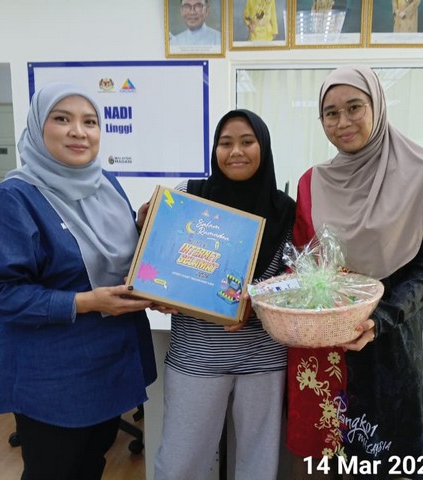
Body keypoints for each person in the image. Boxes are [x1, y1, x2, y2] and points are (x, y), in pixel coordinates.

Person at [0, 82, 170, 480]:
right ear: (38, 127)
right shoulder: (14, 200)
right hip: (54, 380)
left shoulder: (105, 184)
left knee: (91, 465)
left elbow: (106, 255)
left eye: (90, 122)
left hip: (111, 363)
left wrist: (142, 229)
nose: (79, 131)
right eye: (62, 119)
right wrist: (84, 302)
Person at [286, 65, 423, 479]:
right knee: (333, 462)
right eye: (330, 113)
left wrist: (380, 318)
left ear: (377, 106)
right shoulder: (312, 182)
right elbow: (302, 259)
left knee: (390, 462)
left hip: (390, 346)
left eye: (354, 108)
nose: (342, 122)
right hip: (329, 349)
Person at [153, 109, 295, 480]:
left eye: (247, 142)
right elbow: (161, 261)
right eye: (225, 142)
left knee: (259, 466)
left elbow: (297, 283)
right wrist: (158, 287)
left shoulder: (285, 212)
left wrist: (258, 300)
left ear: (264, 147)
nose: (236, 151)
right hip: (196, 357)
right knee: (180, 465)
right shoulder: (189, 198)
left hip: (263, 358)